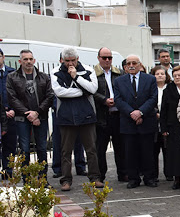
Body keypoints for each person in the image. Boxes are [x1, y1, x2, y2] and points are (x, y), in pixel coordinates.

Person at [51, 47, 102, 191]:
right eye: (67, 61)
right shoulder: (55, 72)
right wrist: (81, 92)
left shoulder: (87, 70)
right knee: (66, 151)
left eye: (73, 60)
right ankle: (66, 180)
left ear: (77, 59)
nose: (70, 63)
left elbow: (92, 89)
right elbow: (59, 92)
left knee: (91, 149)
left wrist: (76, 77)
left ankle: (95, 177)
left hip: (86, 115)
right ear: (62, 60)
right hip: (66, 116)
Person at [6, 49, 54, 177]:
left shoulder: (44, 77)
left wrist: (37, 113)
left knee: (42, 149)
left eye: (30, 59)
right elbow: (12, 98)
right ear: (20, 61)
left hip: (41, 117)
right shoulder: (12, 77)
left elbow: (49, 96)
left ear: (34, 60)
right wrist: (29, 114)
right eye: (25, 59)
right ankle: (26, 179)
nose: (28, 62)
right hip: (22, 119)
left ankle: (42, 178)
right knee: (25, 150)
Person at [114, 54, 158, 188]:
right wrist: (131, 113)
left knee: (148, 151)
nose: (131, 66)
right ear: (125, 66)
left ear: (140, 65)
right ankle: (133, 178)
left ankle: (149, 177)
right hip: (128, 122)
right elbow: (118, 100)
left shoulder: (150, 79)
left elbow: (153, 98)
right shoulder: (119, 81)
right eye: (129, 63)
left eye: (134, 63)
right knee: (130, 152)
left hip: (146, 120)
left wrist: (141, 112)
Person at [93, 47, 126, 182]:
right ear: (98, 58)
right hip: (101, 115)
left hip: (118, 115)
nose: (107, 60)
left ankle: (123, 173)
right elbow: (90, 92)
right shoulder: (93, 74)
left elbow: (125, 90)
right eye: (104, 58)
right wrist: (104, 100)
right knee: (100, 148)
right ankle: (100, 175)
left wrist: (117, 100)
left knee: (121, 147)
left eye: (110, 58)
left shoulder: (119, 73)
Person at [160, 65, 180, 190]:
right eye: (175, 75)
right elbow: (164, 111)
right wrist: (164, 128)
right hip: (173, 126)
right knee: (175, 153)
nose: (177, 78)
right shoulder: (168, 90)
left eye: (179, 75)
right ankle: (176, 179)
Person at [151, 65, 171, 183]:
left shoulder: (169, 88)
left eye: (162, 73)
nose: (160, 76)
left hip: (166, 122)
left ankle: (169, 173)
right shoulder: (150, 88)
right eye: (157, 74)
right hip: (153, 122)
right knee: (154, 150)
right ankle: (154, 175)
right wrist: (156, 114)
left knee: (167, 149)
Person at [0, 48, 17, 178]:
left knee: (10, 145)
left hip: (12, 113)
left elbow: (18, 94)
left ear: (3, 57)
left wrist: (13, 109)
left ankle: (8, 171)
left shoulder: (12, 73)